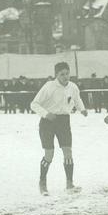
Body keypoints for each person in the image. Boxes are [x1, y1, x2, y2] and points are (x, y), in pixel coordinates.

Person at [30, 62, 89, 196]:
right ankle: (42, 183)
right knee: (49, 154)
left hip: (64, 121)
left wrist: (82, 109)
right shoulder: (49, 86)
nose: (65, 77)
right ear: (56, 75)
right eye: (62, 74)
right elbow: (34, 104)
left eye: (67, 73)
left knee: (68, 152)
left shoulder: (73, 87)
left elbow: (77, 99)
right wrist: (46, 114)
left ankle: (69, 183)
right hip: (48, 122)